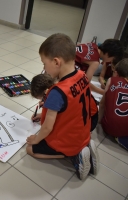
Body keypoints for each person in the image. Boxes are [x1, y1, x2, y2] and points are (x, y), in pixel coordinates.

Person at [26, 33, 99, 180]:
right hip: (84, 131)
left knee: (30, 150)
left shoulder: (57, 92)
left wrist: (36, 139)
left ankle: (74, 155)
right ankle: (84, 147)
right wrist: (43, 115)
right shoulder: (82, 75)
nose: (44, 69)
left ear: (56, 62)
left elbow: (47, 128)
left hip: (69, 141)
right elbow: (70, 109)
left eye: (44, 64)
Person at [30, 73, 98, 132]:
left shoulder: (56, 96)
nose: (43, 100)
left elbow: (48, 127)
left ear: (46, 91)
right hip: (92, 114)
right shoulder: (62, 84)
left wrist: (45, 114)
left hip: (89, 121)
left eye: (43, 98)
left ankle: (85, 141)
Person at [99, 58, 128, 151]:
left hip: (108, 126)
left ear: (116, 72)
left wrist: (98, 121)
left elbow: (102, 104)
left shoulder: (111, 80)